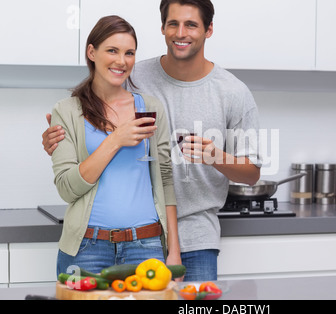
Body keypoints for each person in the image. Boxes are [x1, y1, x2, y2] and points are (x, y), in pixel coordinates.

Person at [43, 0, 261, 281]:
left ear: (208, 30)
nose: (181, 32)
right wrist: (59, 139)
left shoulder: (232, 92)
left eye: (191, 24)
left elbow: (252, 173)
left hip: (191, 233)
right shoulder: (132, 75)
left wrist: (215, 156)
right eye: (173, 23)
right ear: (162, 28)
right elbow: (87, 108)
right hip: (118, 239)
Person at [49, 15, 181, 276]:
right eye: (112, 50)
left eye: (129, 53)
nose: (122, 61)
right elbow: (67, 188)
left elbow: (165, 180)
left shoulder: (151, 108)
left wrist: (174, 249)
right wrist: (115, 140)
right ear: (92, 52)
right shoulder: (66, 111)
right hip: (87, 248)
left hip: (147, 246)